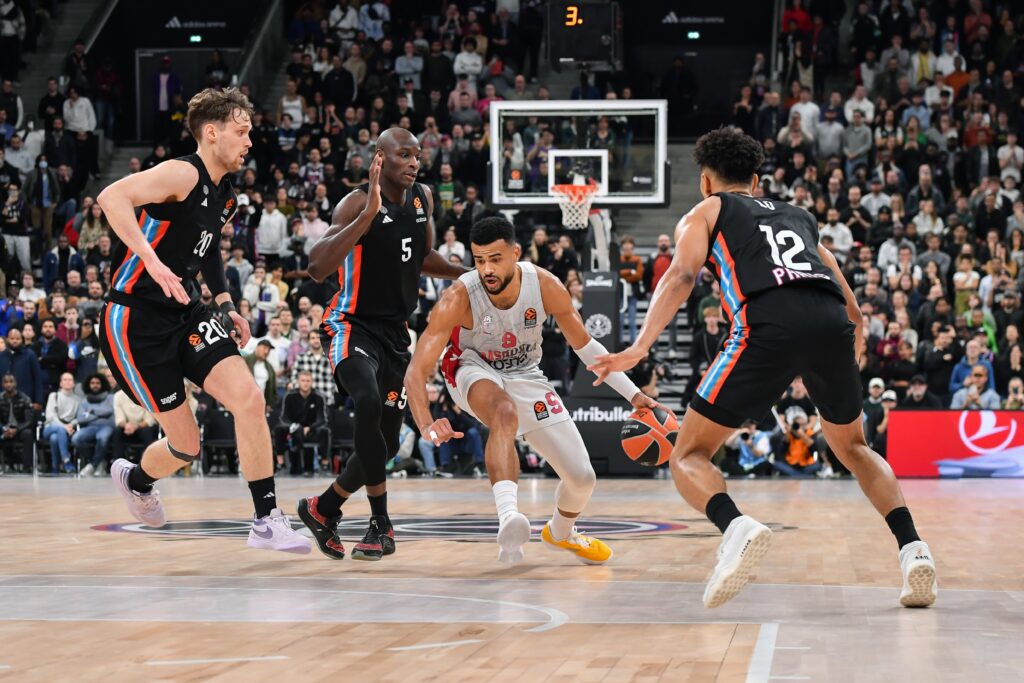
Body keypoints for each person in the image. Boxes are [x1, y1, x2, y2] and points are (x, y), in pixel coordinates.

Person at [591, 127, 937, 609]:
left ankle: (736, 528)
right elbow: (853, 309)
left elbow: (683, 275)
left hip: (765, 324)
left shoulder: (707, 211)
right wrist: (845, 351)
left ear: (706, 182)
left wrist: (638, 348)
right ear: (756, 180)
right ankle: (914, 550)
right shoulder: (801, 218)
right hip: (829, 323)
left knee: (688, 455)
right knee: (855, 447)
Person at [95, 88, 309, 553]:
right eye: (242, 131)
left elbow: (207, 248)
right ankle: (136, 480)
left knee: (249, 398)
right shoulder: (180, 172)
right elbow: (111, 197)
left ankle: (266, 520)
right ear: (212, 133)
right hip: (134, 319)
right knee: (186, 445)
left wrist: (228, 303)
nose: (250, 141)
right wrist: (151, 261)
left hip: (186, 310)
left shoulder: (225, 194)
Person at [406, 216, 660, 564]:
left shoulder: (545, 285)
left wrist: (633, 394)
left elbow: (586, 348)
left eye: (495, 259)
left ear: (516, 253)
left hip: (526, 372)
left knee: (582, 478)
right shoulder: (459, 297)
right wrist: (425, 423)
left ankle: (560, 533)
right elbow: (416, 371)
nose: (486, 269)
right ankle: (509, 517)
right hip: (470, 367)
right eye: (479, 261)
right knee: (504, 412)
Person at [296, 127, 467, 561]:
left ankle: (323, 507)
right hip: (351, 324)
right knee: (368, 401)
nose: (414, 162)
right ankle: (380, 522)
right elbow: (316, 267)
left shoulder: (422, 197)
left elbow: (423, 257)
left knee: (387, 444)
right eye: (404, 155)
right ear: (379, 159)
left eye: (417, 155)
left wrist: (465, 275)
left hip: (395, 333)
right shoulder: (354, 203)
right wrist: (367, 216)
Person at [274, 371, 329, 476]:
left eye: (308, 381)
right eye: (303, 380)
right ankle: (280, 464)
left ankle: (324, 465)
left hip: (311, 431)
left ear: (312, 382)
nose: (305, 383)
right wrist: (294, 426)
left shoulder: (318, 397)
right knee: (278, 429)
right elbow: (284, 417)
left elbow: (322, 419)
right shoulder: (290, 396)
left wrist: (310, 427)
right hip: (293, 429)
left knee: (325, 431)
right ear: (298, 382)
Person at [73, 373, 115, 476]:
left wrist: (91, 412)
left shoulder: (110, 397)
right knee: (76, 438)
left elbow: (109, 411)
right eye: (92, 383)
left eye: (97, 383)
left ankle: (92, 465)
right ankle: (98, 462)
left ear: (103, 384)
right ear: (88, 384)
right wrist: (100, 414)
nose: (95, 385)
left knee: (102, 438)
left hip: (107, 426)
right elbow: (80, 419)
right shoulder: (84, 401)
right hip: (90, 427)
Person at [42, 372, 80, 472]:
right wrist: (64, 427)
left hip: (68, 429)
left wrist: (71, 425)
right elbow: (50, 416)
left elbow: (78, 417)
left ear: (74, 383)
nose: (68, 382)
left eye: (70, 380)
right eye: (65, 380)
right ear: (60, 383)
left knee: (54, 438)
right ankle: (66, 460)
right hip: (50, 427)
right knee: (59, 429)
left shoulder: (77, 399)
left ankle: (55, 466)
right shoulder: (54, 396)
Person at [112, 385, 159, 464]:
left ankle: (152, 463)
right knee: (117, 431)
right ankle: (118, 463)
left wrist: (136, 426)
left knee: (147, 431)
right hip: (127, 428)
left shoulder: (147, 394)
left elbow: (149, 419)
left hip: (144, 427)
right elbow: (119, 419)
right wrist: (127, 425)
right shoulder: (118, 396)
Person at [0, 373, 34, 472]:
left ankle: (27, 467)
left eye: (11, 382)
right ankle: (7, 467)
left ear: (15, 383)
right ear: (2, 384)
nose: (8, 384)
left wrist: (16, 429)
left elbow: (29, 420)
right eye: (6, 382)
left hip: (20, 429)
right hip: (4, 429)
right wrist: (4, 429)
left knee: (28, 434)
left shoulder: (24, 398)